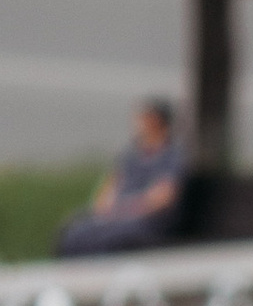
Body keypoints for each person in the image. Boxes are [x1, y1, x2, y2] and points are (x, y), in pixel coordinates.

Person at [56, 98, 186, 256]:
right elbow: (111, 185)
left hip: (148, 219)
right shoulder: (131, 154)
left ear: (156, 121)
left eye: (143, 117)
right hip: (117, 214)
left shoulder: (172, 156)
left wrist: (125, 209)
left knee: (110, 238)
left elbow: (163, 196)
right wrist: (105, 209)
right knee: (76, 233)